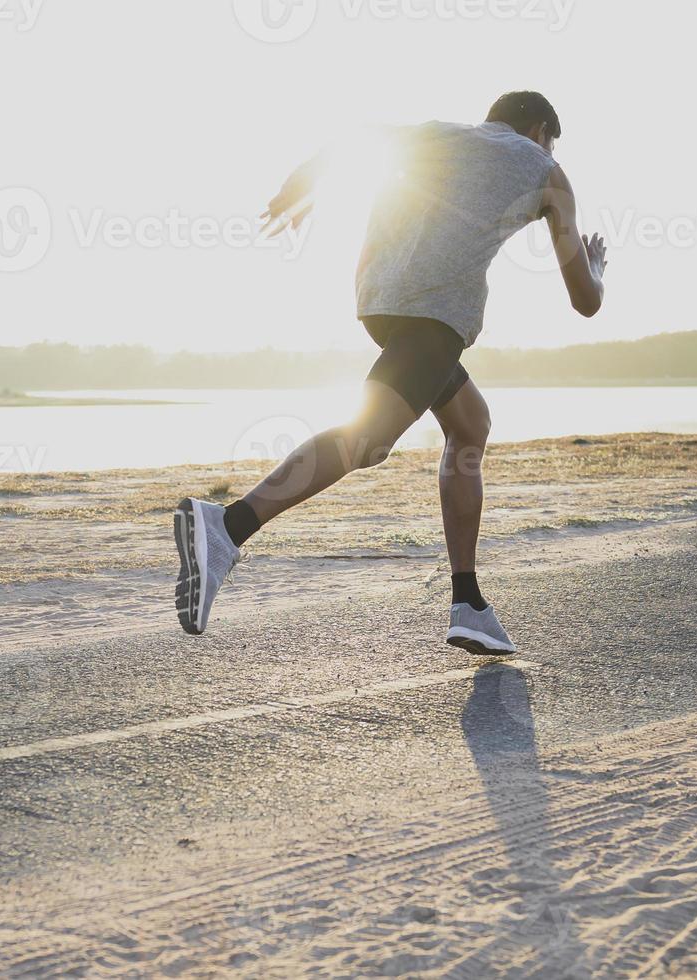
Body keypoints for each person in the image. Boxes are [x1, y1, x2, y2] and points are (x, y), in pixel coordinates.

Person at [173, 91, 608, 654]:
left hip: (378, 303)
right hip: (435, 317)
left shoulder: (440, 132)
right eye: (552, 139)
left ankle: (469, 602)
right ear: (541, 129)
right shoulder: (547, 170)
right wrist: (595, 267)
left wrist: (301, 186)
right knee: (369, 440)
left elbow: (354, 142)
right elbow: (585, 301)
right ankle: (227, 527)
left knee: (470, 423)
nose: (550, 149)